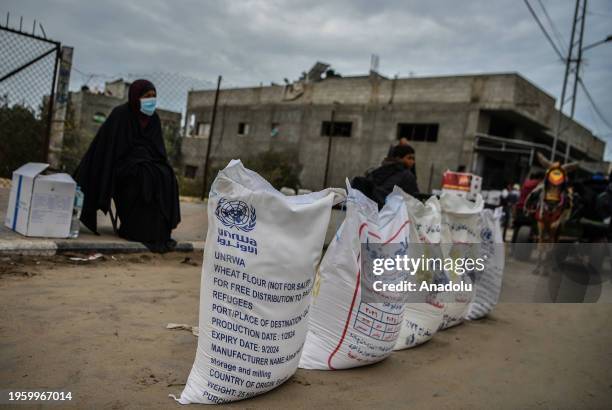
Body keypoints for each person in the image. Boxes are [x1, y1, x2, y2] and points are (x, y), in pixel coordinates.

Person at [74, 79, 181, 253]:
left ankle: (159, 231)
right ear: (136, 96)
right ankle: (135, 228)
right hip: (123, 167)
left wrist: (148, 160)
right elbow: (108, 149)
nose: (151, 100)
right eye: (147, 96)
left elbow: (158, 150)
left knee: (165, 175)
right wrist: (137, 158)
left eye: (154, 96)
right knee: (143, 176)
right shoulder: (120, 114)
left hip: (147, 163)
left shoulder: (153, 119)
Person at [353, 144, 419, 209]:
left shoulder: (380, 170)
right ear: (398, 158)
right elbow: (415, 198)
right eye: (409, 158)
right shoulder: (407, 175)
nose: (412, 162)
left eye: (413, 159)